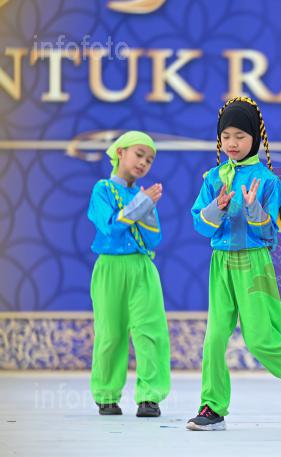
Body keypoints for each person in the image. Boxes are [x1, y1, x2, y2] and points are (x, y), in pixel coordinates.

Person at [186, 97, 281, 431]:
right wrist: (217, 207)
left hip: (254, 262)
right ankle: (212, 407)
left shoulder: (267, 181)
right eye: (226, 136)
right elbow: (200, 225)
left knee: (261, 339)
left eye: (240, 135)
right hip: (221, 262)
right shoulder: (213, 178)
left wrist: (253, 208)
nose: (232, 143)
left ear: (255, 137)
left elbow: (269, 232)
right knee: (214, 338)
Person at [87, 130, 171, 417]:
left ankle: (150, 396)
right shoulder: (103, 190)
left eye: (149, 159)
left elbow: (153, 240)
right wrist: (142, 205)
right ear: (120, 152)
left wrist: (145, 206)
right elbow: (109, 226)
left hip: (142, 267)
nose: (143, 163)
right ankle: (106, 395)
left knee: (150, 331)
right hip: (110, 267)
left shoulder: (142, 196)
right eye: (139, 154)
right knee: (110, 332)